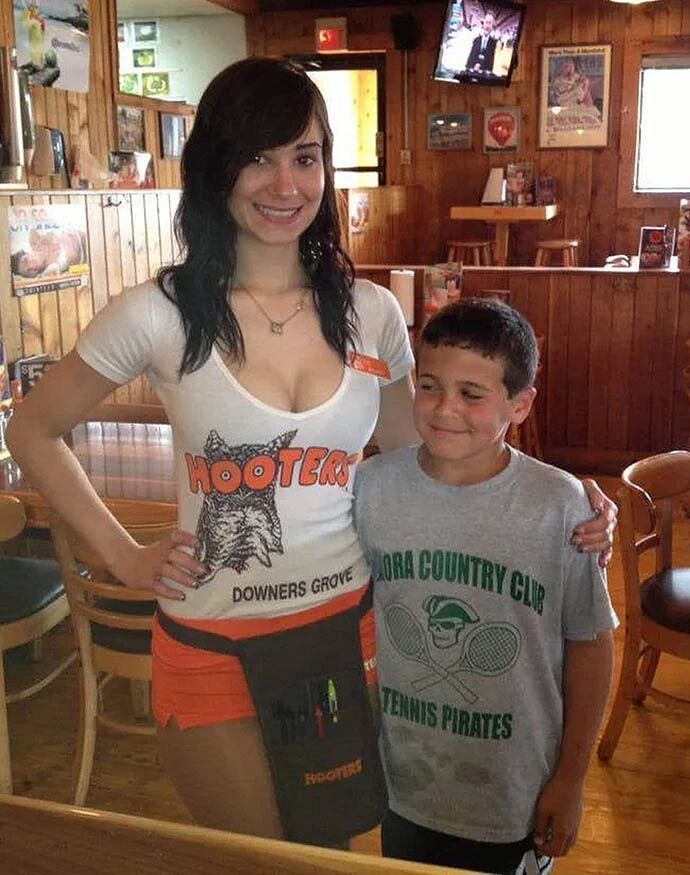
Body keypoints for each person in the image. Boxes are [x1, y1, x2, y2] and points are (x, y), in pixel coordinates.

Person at [6, 58, 616, 847]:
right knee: (256, 857)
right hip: (211, 640)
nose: (284, 184)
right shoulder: (156, 313)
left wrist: (563, 498)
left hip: (349, 635)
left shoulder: (371, 312)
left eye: (305, 156)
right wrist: (123, 556)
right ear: (216, 166)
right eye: (258, 157)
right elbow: (31, 429)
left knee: (327, 850)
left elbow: (426, 458)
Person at [354, 298, 617, 874]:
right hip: (403, 785)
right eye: (429, 386)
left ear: (520, 405)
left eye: (472, 394)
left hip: (515, 794)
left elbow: (591, 646)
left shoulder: (561, 506)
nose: (445, 408)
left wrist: (571, 778)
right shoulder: (369, 489)